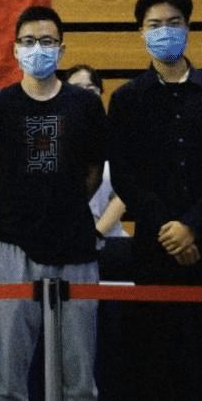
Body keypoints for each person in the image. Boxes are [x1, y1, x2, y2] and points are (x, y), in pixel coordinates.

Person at [107, 0, 202, 400]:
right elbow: (125, 177)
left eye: (173, 23)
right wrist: (168, 228)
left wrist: (192, 226)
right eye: (154, 25)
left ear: (187, 28)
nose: (164, 31)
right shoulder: (127, 99)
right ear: (141, 32)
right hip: (154, 246)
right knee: (156, 360)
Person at [0, 7, 105, 401]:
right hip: (13, 246)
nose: (38, 49)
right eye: (29, 42)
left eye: (47, 42)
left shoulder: (85, 105)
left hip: (76, 247)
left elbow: (94, 172)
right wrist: (19, 210)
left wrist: (63, 206)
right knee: (10, 379)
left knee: (80, 379)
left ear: (61, 49)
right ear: (15, 49)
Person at [65, 64, 133, 281]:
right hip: (64, 243)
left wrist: (95, 234)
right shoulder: (52, 135)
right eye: (77, 88)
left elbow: (122, 194)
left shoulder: (117, 135)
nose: (85, 94)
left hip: (109, 243)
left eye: (91, 89)